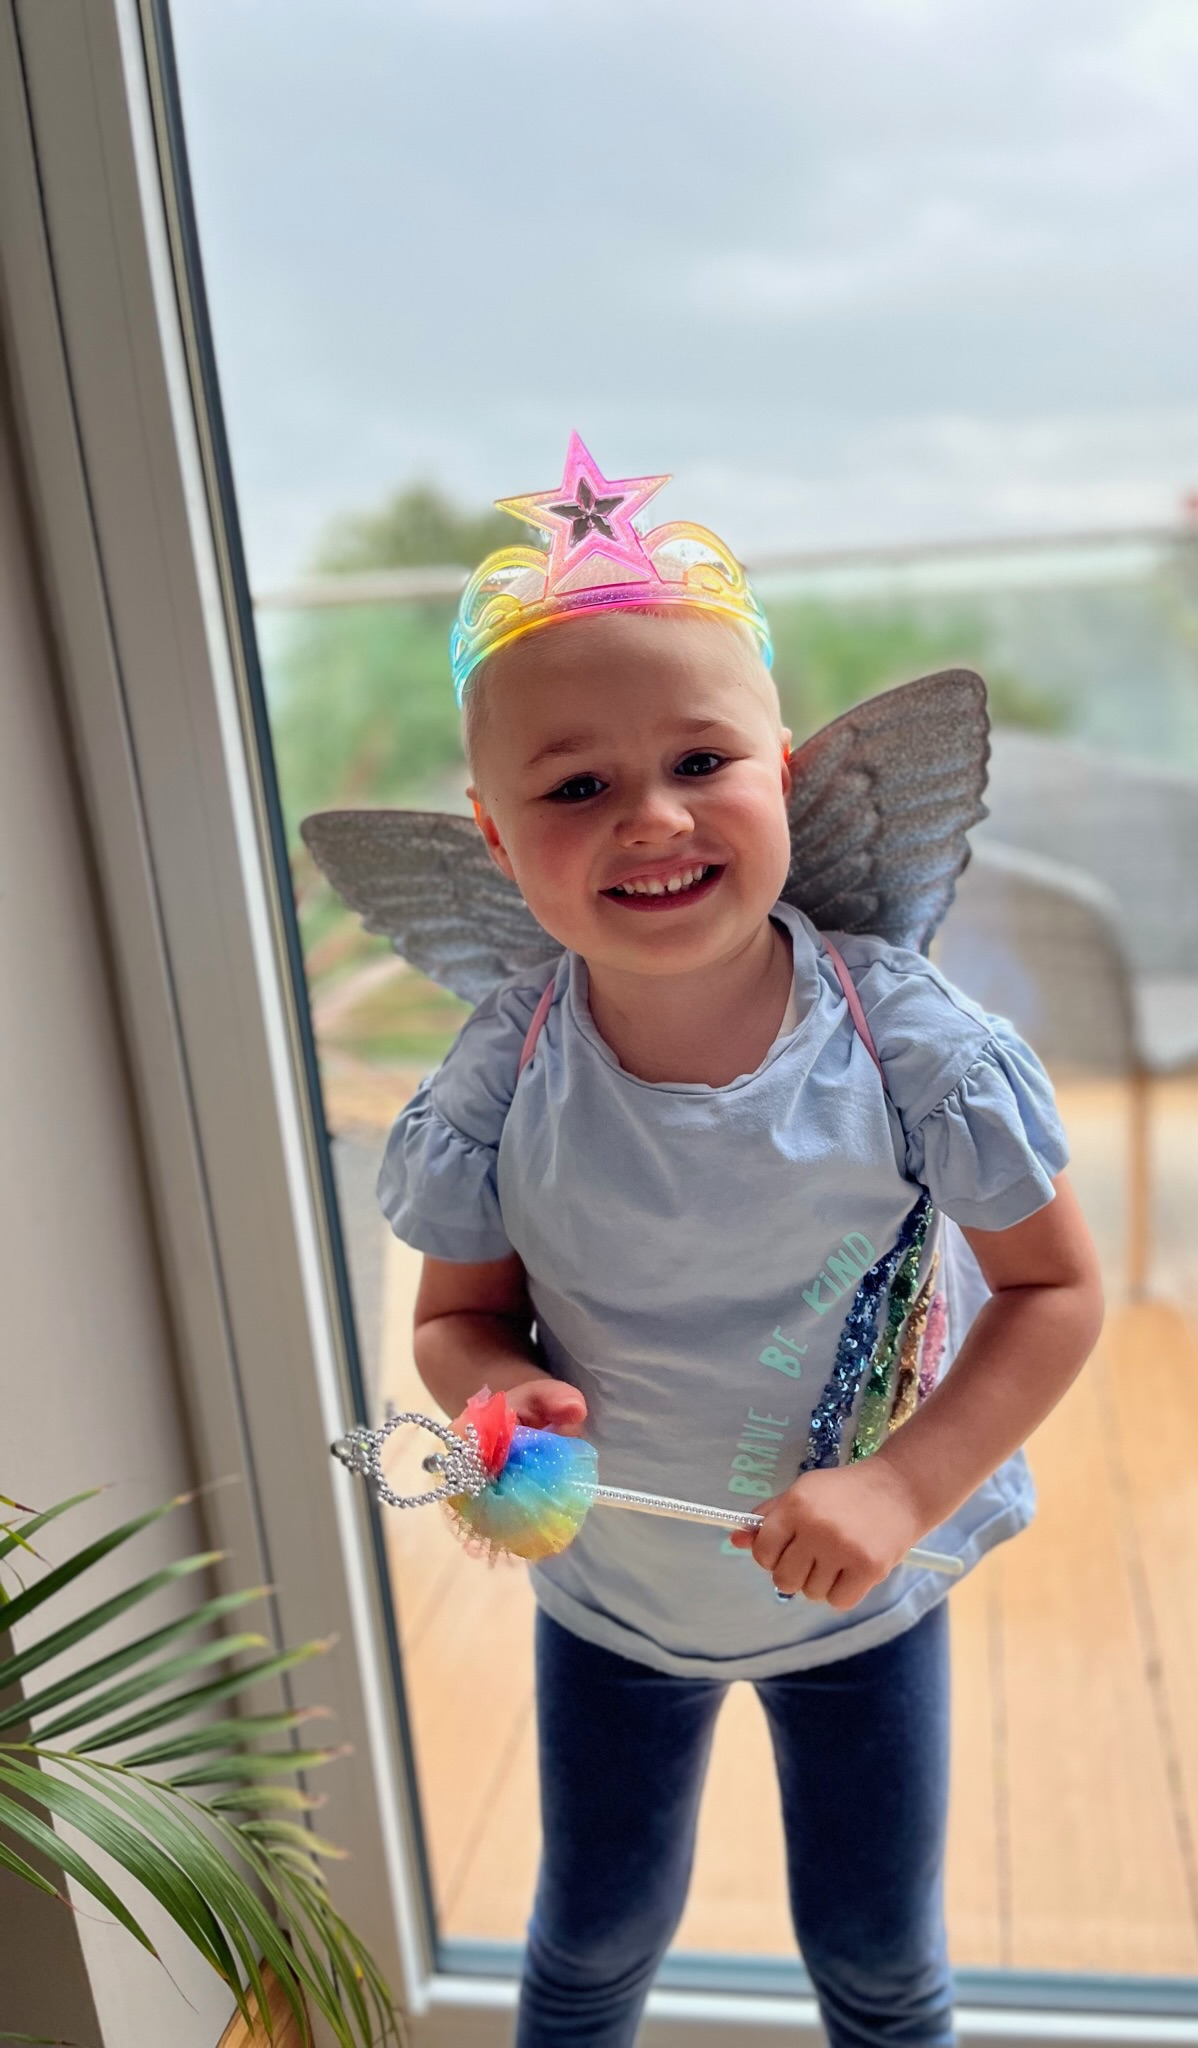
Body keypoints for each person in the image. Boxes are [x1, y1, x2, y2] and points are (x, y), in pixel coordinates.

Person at [373, 437, 1103, 2048]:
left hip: (864, 1599)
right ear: (498, 842)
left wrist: (904, 1485)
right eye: (575, 788)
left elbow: (1056, 1290)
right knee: (590, 1941)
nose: (650, 817)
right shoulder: (508, 1069)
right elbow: (453, 1320)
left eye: (702, 761)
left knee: (877, 1955)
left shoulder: (907, 1043)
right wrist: (500, 1396)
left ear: (787, 770)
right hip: (617, 1604)